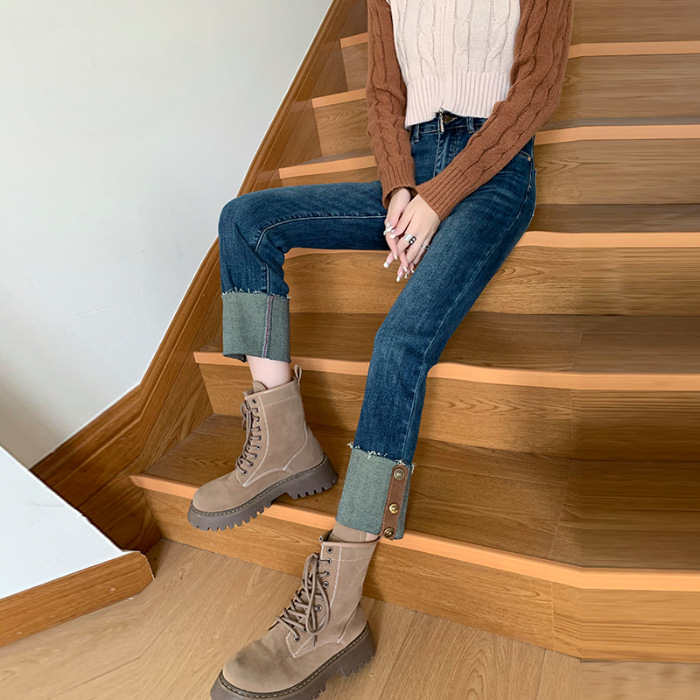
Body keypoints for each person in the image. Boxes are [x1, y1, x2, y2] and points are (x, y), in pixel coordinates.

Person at [190, 0, 573, 698]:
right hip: (411, 169)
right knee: (246, 220)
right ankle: (283, 444)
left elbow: (536, 92)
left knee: (398, 340)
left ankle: (335, 610)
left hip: (494, 177)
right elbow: (384, 93)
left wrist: (439, 197)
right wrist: (400, 186)